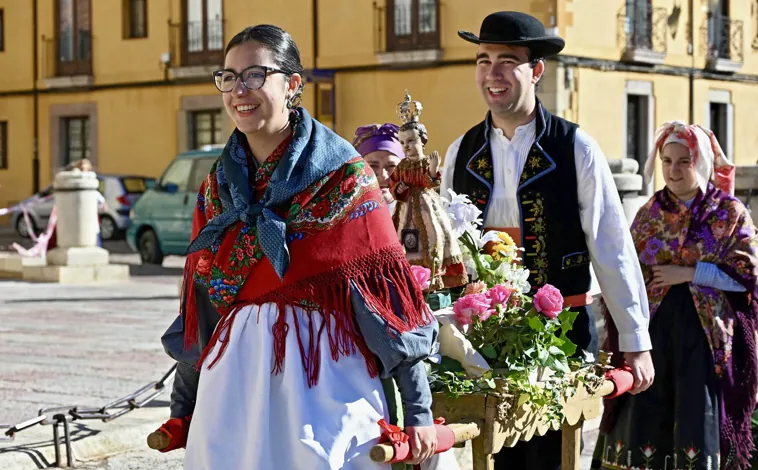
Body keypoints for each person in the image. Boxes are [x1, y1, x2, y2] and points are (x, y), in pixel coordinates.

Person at [157, 24, 449, 470]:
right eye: (229, 77)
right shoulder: (216, 188)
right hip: (232, 385)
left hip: (323, 379)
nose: (240, 90)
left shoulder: (344, 177)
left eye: (255, 75)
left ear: (293, 84)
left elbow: (387, 302)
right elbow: (202, 304)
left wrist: (418, 412)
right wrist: (183, 409)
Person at [440, 11, 655, 470]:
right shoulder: (461, 152)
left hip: (560, 339)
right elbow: (449, 252)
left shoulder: (575, 147)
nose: (492, 74)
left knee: (550, 458)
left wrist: (635, 341)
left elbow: (611, 247)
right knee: (487, 457)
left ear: (535, 71)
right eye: (483, 60)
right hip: (483, 342)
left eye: (507, 61)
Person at [593, 121, 757, 470]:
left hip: (703, 341)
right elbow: (625, 269)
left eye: (684, 161)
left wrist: (689, 274)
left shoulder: (728, 213)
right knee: (645, 412)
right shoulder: (650, 212)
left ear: (701, 162)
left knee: (696, 414)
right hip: (653, 338)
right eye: (667, 160)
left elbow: (747, 276)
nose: (673, 170)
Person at [390, 91, 467, 291]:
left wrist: (433, 168)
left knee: (434, 237)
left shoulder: (425, 162)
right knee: (406, 240)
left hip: (426, 207)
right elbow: (393, 183)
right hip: (405, 209)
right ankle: (409, 280)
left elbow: (430, 182)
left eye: (411, 141)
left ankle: (432, 280)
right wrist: (399, 188)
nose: (406, 147)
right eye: (403, 143)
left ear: (422, 141)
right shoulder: (401, 165)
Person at [352, 123, 405, 213]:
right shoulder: (344, 214)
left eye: (392, 166)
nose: (383, 175)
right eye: (372, 165)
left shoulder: (415, 212)